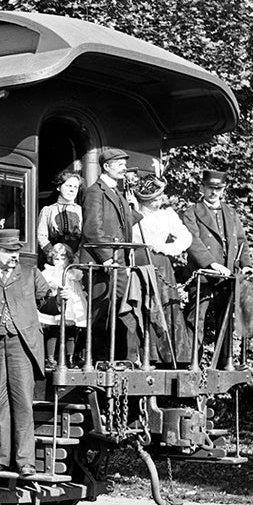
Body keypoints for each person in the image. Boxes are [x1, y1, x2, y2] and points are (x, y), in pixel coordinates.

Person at [0, 228, 59, 475]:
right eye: (8, 251)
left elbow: (47, 302)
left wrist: (59, 299)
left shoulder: (30, 274)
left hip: (21, 346)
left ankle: (25, 462)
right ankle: (1, 459)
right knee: (0, 405)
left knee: (23, 404)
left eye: (16, 251)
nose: (14, 256)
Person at [181, 169, 252, 366]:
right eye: (210, 188)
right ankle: (191, 361)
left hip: (227, 274)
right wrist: (211, 264)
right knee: (196, 318)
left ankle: (224, 361)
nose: (214, 192)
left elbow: (241, 241)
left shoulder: (230, 212)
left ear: (224, 189)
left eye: (218, 189)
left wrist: (246, 265)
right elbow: (192, 241)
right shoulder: (192, 212)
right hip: (202, 273)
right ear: (202, 188)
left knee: (226, 318)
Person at [79, 147, 142, 359]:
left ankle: (118, 359)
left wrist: (135, 211)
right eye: (120, 164)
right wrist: (107, 258)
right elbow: (92, 230)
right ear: (107, 166)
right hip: (102, 265)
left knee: (120, 310)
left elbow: (121, 225)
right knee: (101, 312)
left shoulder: (118, 193)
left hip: (120, 262)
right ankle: (95, 359)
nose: (125, 168)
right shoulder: (95, 192)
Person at [133, 175, 196, 363]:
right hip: (138, 264)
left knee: (164, 307)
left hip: (161, 265)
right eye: (154, 199)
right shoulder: (134, 214)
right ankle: (142, 355)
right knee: (141, 306)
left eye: (160, 197)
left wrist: (167, 248)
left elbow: (186, 238)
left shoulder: (167, 215)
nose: (159, 202)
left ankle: (167, 357)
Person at [36, 240, 89, 368]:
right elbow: (49, 285)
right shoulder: (49, 272)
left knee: (71, 331)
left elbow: (78, 286)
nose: (59, 261)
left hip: (71, 304)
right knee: (53, 330)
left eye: (63, 258)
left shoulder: (72, 272)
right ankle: (50, 358)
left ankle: (69, 358)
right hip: (56, 304)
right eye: (56, 258)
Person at [35, 164, 85, 256]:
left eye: (75, 187)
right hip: (54, 255)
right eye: (68, 186)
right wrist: (52, 253)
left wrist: (77, 256)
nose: (72, 190)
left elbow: (86, 237)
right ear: (58, 187)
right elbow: (41, 236)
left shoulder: (81, 211)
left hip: (77, 256)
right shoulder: (48, 210)